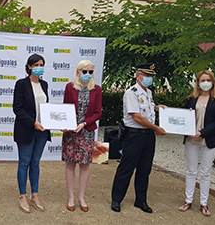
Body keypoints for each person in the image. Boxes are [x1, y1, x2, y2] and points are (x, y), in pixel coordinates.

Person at [110, 63, 167, 213]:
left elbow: (147, 109)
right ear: (138, 76)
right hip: (134, 135)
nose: (149, 79)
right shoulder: (132, 92)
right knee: (126, 168)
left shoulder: (148, 92)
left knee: (144, 169)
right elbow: (136, 117)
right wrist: (156, 128)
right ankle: (116, 199)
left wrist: (157, 108)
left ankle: (140, 200)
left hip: (148, 136)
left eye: (151, 76)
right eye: (146, 75)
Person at [178, 70, 215, 216]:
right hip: (191, 139)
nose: (205, 83)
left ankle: (204, 203)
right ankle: (188, 200)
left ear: (213, 82)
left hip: (208, 139)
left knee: (205, 172)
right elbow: (183, 118)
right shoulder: (191, 98)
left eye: (208, 80)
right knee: (191, 170)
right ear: (197, 82)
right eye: (202, 80)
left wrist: (202, 132)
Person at [61, 60, 102, 212]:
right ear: (78, 72)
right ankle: (71, 197)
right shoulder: (69, 87)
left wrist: (84, 123)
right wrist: (64, 125)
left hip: (87, 131)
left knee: (85, 166)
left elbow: (98, 112)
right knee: (70, 164)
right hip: (71, 132)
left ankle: (81, 198)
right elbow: (65, 108)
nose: (87, 74)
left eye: (90, 72)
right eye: (84, 71)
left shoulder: (96, 89)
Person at [13, 54, 51, 213]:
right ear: (29, 66)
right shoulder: (21, 84)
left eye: (41, 64)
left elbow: (47, 108)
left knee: (35, 163)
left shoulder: (45, 84)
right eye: (35, 64)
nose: (39, 67)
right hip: (27, 129)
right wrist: (33, 122)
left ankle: (35, 195)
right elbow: (17, 109)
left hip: (42, 131)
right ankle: (23, 196)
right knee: (24, 163)